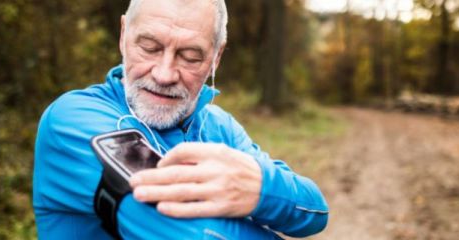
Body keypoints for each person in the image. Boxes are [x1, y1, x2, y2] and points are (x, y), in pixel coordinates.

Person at [32, 0, 329, 239]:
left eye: (189, 56)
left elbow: (314, 211)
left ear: (216, 57)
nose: (164, 74)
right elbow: (196, 233)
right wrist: (267, 199)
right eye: (149, 47)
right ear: (124, 35)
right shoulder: (74, 120)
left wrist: (262, 187)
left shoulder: (219, 125)